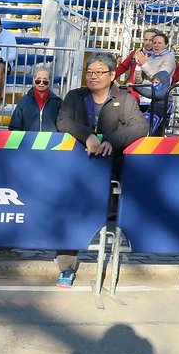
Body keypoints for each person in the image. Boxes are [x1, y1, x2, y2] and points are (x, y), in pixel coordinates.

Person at [55, 52, 149, 288]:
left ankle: (109, 263)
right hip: (77, 169)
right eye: (90, 72)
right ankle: (67, 267)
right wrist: (88, 136)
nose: (93, 76)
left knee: (108, 218)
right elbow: (63, 122)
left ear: (112, 74)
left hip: (112, 171)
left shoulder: (125, 98)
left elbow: (140, 126)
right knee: (72, 216)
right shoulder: (75, 96)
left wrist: (111, 141)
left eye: (99, 72)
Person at [9, 63, 60, 132]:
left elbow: (61, 126)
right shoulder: (24, 101)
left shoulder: (57, 102)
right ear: (33, 80)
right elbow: (14, 126)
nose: (41, 83)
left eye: (45, 80)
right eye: (38, 80)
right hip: (29, 141)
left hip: (51, 141)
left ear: (49, 81)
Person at [0, 13, 17, 109]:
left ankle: (2, 97)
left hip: (4, 62)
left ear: (0, 25)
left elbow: (13, 54)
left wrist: (2, 59)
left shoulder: (9, 36)